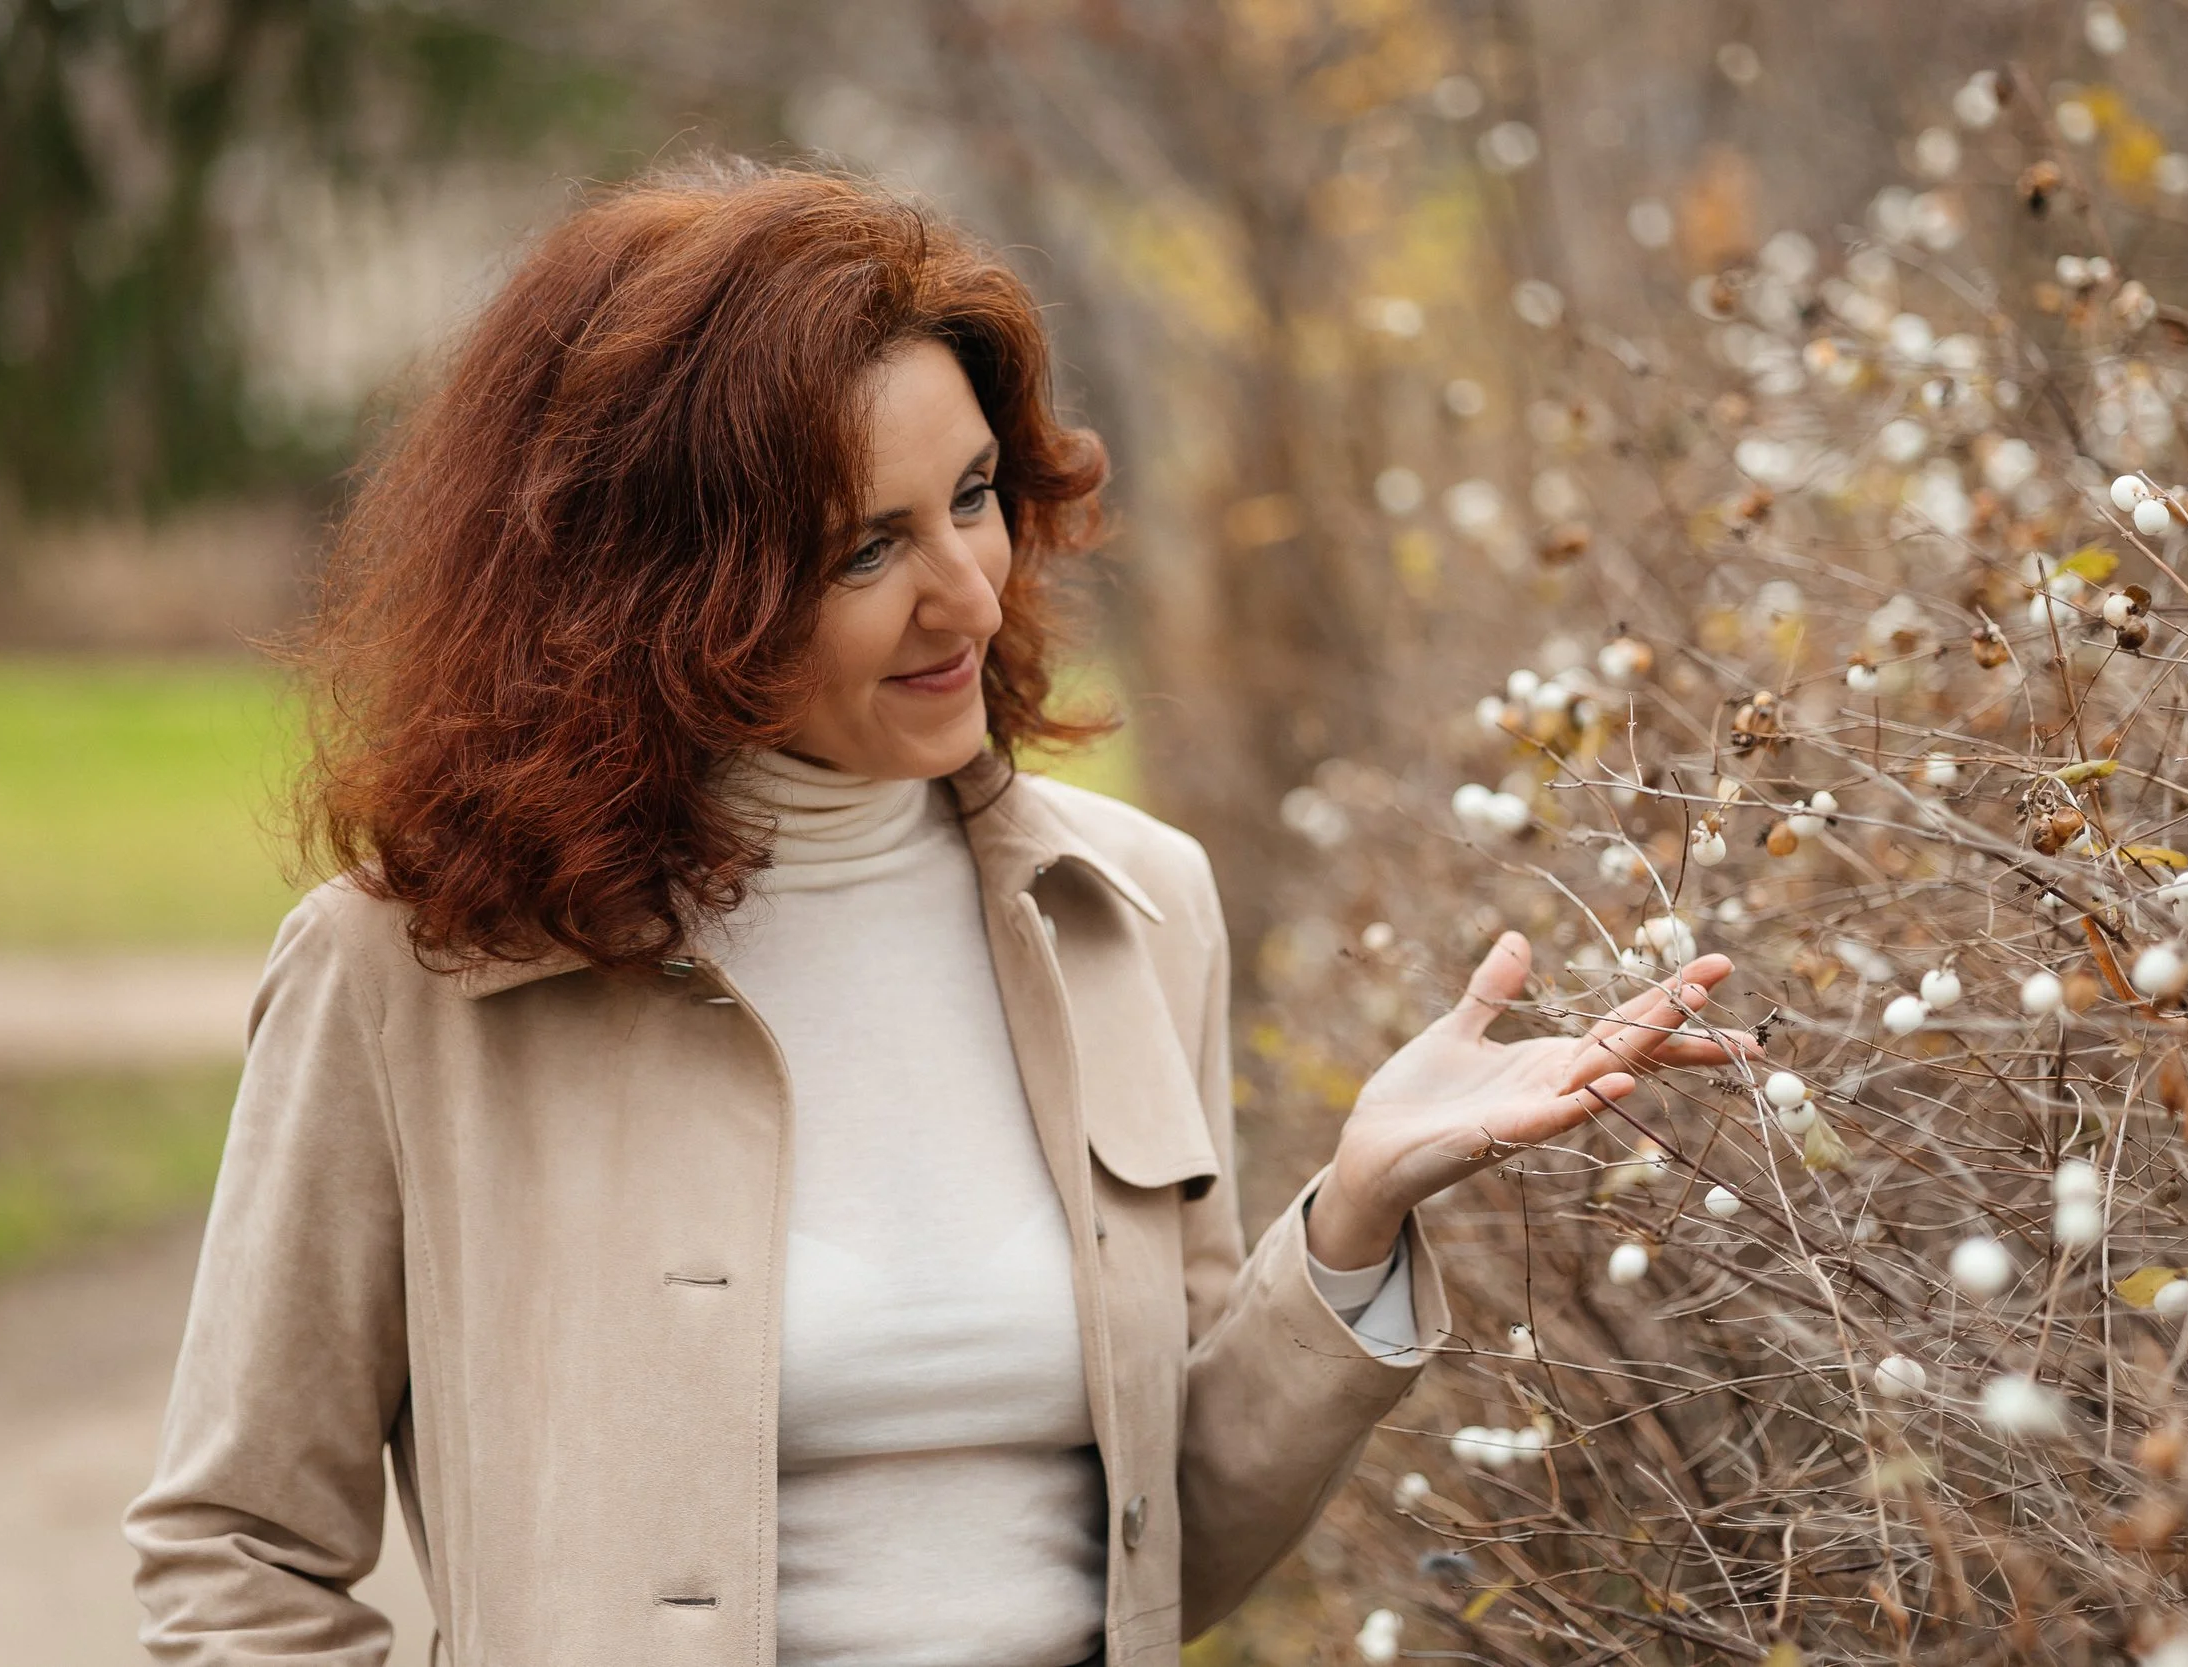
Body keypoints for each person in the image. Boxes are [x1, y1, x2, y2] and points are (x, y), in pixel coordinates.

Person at [123, 158, 1757, 1667]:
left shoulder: (1129, 911)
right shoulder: (412, 971)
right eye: (863, 550)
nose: (971, 591)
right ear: (662, 593)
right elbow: (238, 1549)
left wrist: (1352, 1221)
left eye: (974, 494)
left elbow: (1162, 1551)